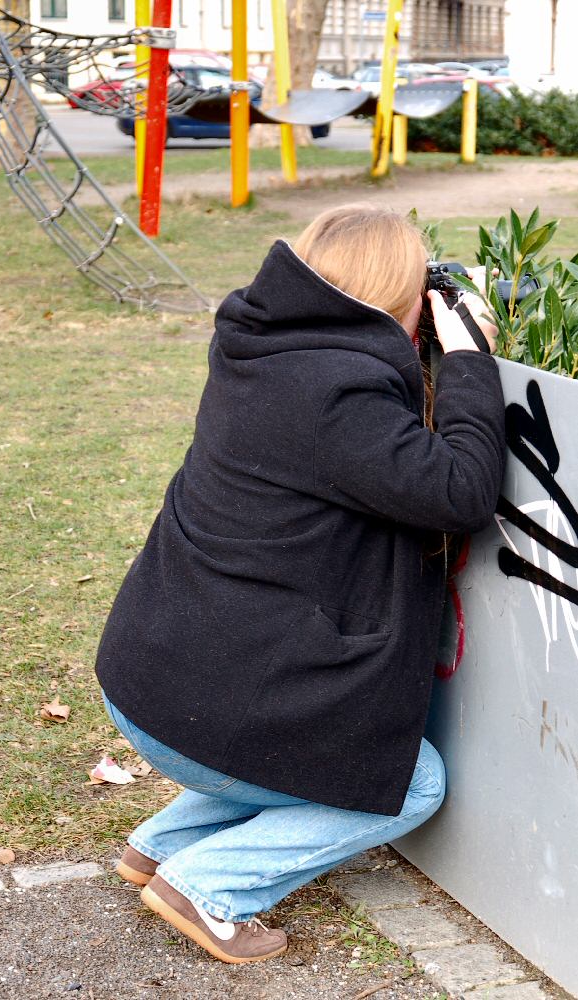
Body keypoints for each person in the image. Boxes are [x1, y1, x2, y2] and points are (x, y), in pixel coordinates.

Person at [95, 205, 505, 965]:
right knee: (412, 785)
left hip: (153, 676)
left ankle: (154, 848)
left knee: (295, 756)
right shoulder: (337, 392)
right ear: (398, 298)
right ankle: (208, 887)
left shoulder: (262, 346)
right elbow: (460, 491)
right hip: (201, 703)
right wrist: (469, 356)